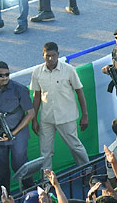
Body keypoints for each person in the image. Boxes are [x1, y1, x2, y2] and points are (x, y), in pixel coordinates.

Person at [30, 41, 89, 173]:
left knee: (75, 146)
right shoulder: (37, 72)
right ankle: (47, 181)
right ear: (42, 55)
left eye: (53, 55)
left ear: (58, 54)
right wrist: (34, 119)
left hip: (66, 117)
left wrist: (85, 115)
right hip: (47, 118)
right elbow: (37, 96)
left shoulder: (69, 70)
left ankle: (88, 172)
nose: (50, 59)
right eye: (47, 56)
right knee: (45, 152)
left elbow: (79, 92)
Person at [0, 62, 34, 193]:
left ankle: (33, 195)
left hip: (17, 133)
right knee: (1, 170)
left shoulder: (19, 89)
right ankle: (5, 200)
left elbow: (31, 113)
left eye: (7, 74)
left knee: (21, 166)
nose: (4, 78)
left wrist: (13, 132)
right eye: (1, 75)